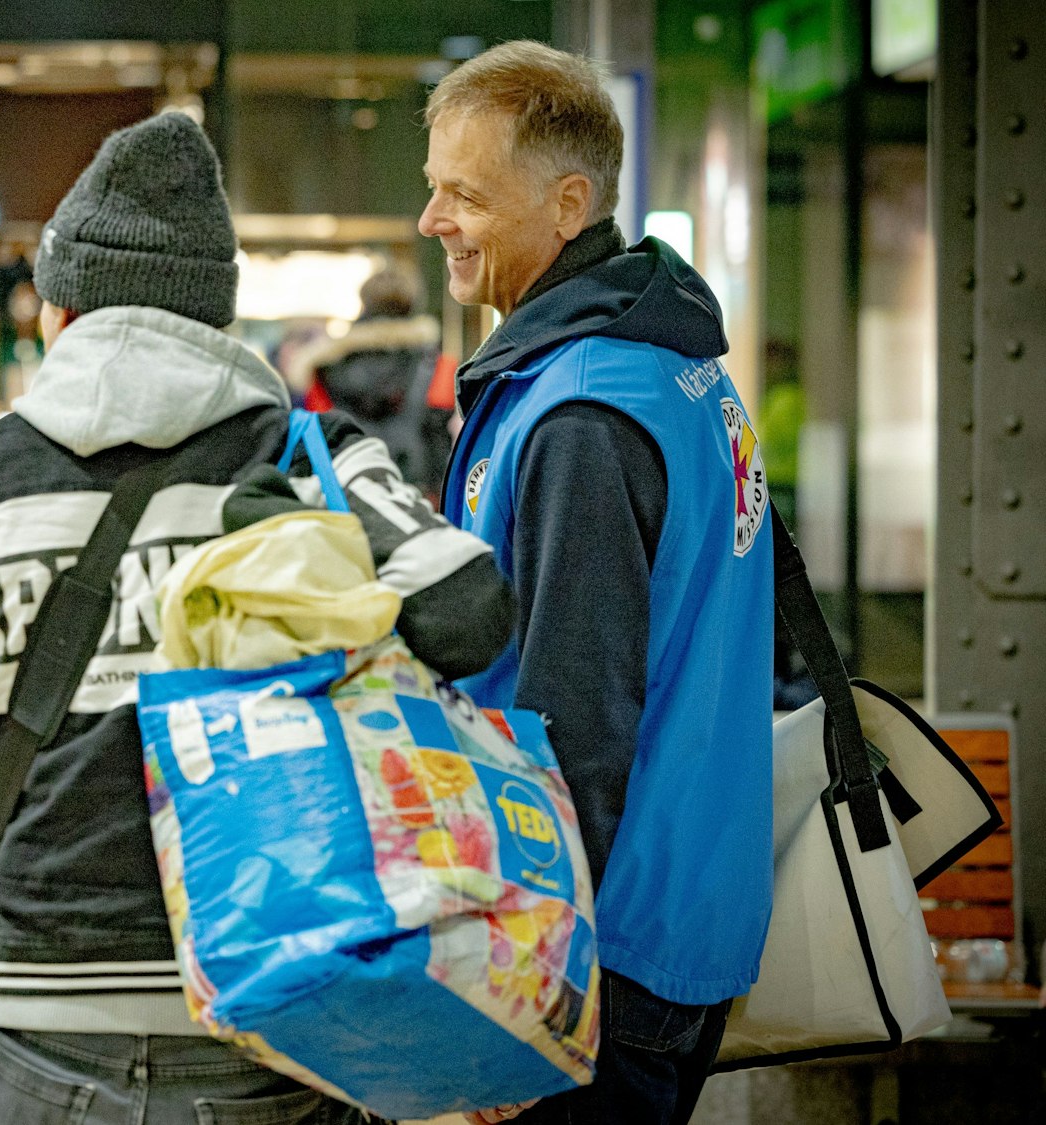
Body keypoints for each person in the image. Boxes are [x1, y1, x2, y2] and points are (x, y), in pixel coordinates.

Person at [0, 111, 514, 1125]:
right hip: (270, 997)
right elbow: (468, 612)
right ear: (213, 316)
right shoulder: (309, 458)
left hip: (39, 1004)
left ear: (56, 310)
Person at [418, 42, 772, 1125]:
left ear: (566, 203)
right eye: (431, 189)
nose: (433, 220)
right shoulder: (674, 370)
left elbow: (573, 721)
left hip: (597, 952)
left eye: (464, 196)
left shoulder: (580, 414)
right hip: (678, 912)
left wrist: (523, 990)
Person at [289, 266, 458, 496]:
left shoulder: (321, 372)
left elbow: (318, 441)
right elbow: (440, 442)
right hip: (420, 500)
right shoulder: (440, 367)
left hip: (343, 497)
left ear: (364, 305)